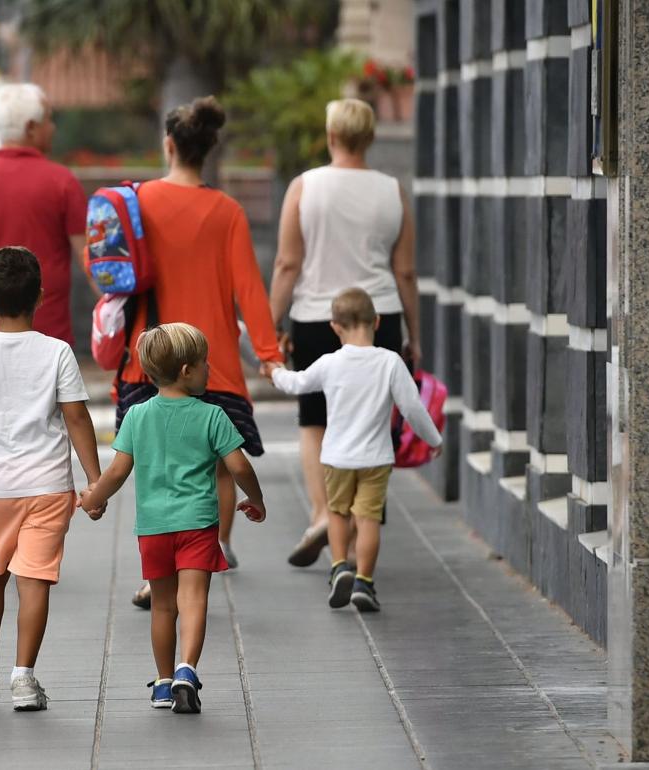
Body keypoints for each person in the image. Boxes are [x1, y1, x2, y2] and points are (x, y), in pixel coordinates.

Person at [117, 96, 282, 608]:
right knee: (217, 464)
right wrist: (269, 352)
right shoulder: (227, 211)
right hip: (213, 361)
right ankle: (215, 546)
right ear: (208, 151)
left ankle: (155, 574)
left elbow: (108, 272)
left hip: (150, 352)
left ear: (168, 144)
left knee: (151, 462)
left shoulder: (135, 202)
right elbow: (249, 288)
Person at [0, 246, 103, 712]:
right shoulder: (58, 353)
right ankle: (24, 679)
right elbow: (76, 419)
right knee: (34, 582)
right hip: (49, 487)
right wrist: (94, 481)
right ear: (41, 296)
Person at [267, 98, 421, 569]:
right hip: (379, 317)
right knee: (373, 423)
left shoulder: (304, 187)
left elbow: (287, 263)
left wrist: (271, 327)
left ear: (331, 136)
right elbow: (406, 271)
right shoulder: (392, 191)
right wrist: (414, 332)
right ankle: (357, 534)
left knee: (315, 423)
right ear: (370, 138)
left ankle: (321, 514)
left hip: (316, 317)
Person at [83, 323, 267, 714]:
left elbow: (116, 472)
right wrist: (256, 498)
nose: (208, 370)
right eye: (204, 364)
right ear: (187, 371)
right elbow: (239, 466)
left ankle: (164, 683)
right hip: (198, 524)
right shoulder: (212, 415)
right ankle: (187, 669)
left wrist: (93, 501)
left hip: (153, 528)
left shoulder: (136, 415)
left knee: (163, 607)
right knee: (194, 599)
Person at [264, 288, 441, 612]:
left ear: (334, 326)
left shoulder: (330, 363)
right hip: (376, 460)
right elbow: (412, 408)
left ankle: (338, 566)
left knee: (338, 514)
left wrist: (274, 370)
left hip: (336, 458)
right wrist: (434, 440)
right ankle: (364, 581)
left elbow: (298, 383)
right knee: (369, 518)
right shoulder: (390, 362)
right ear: (376, 321)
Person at [0, 83, 90, 344]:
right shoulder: (63, 182)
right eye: (48, 120)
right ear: (31, 127)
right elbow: (89, 260)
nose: (53, 128)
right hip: (49, 339)